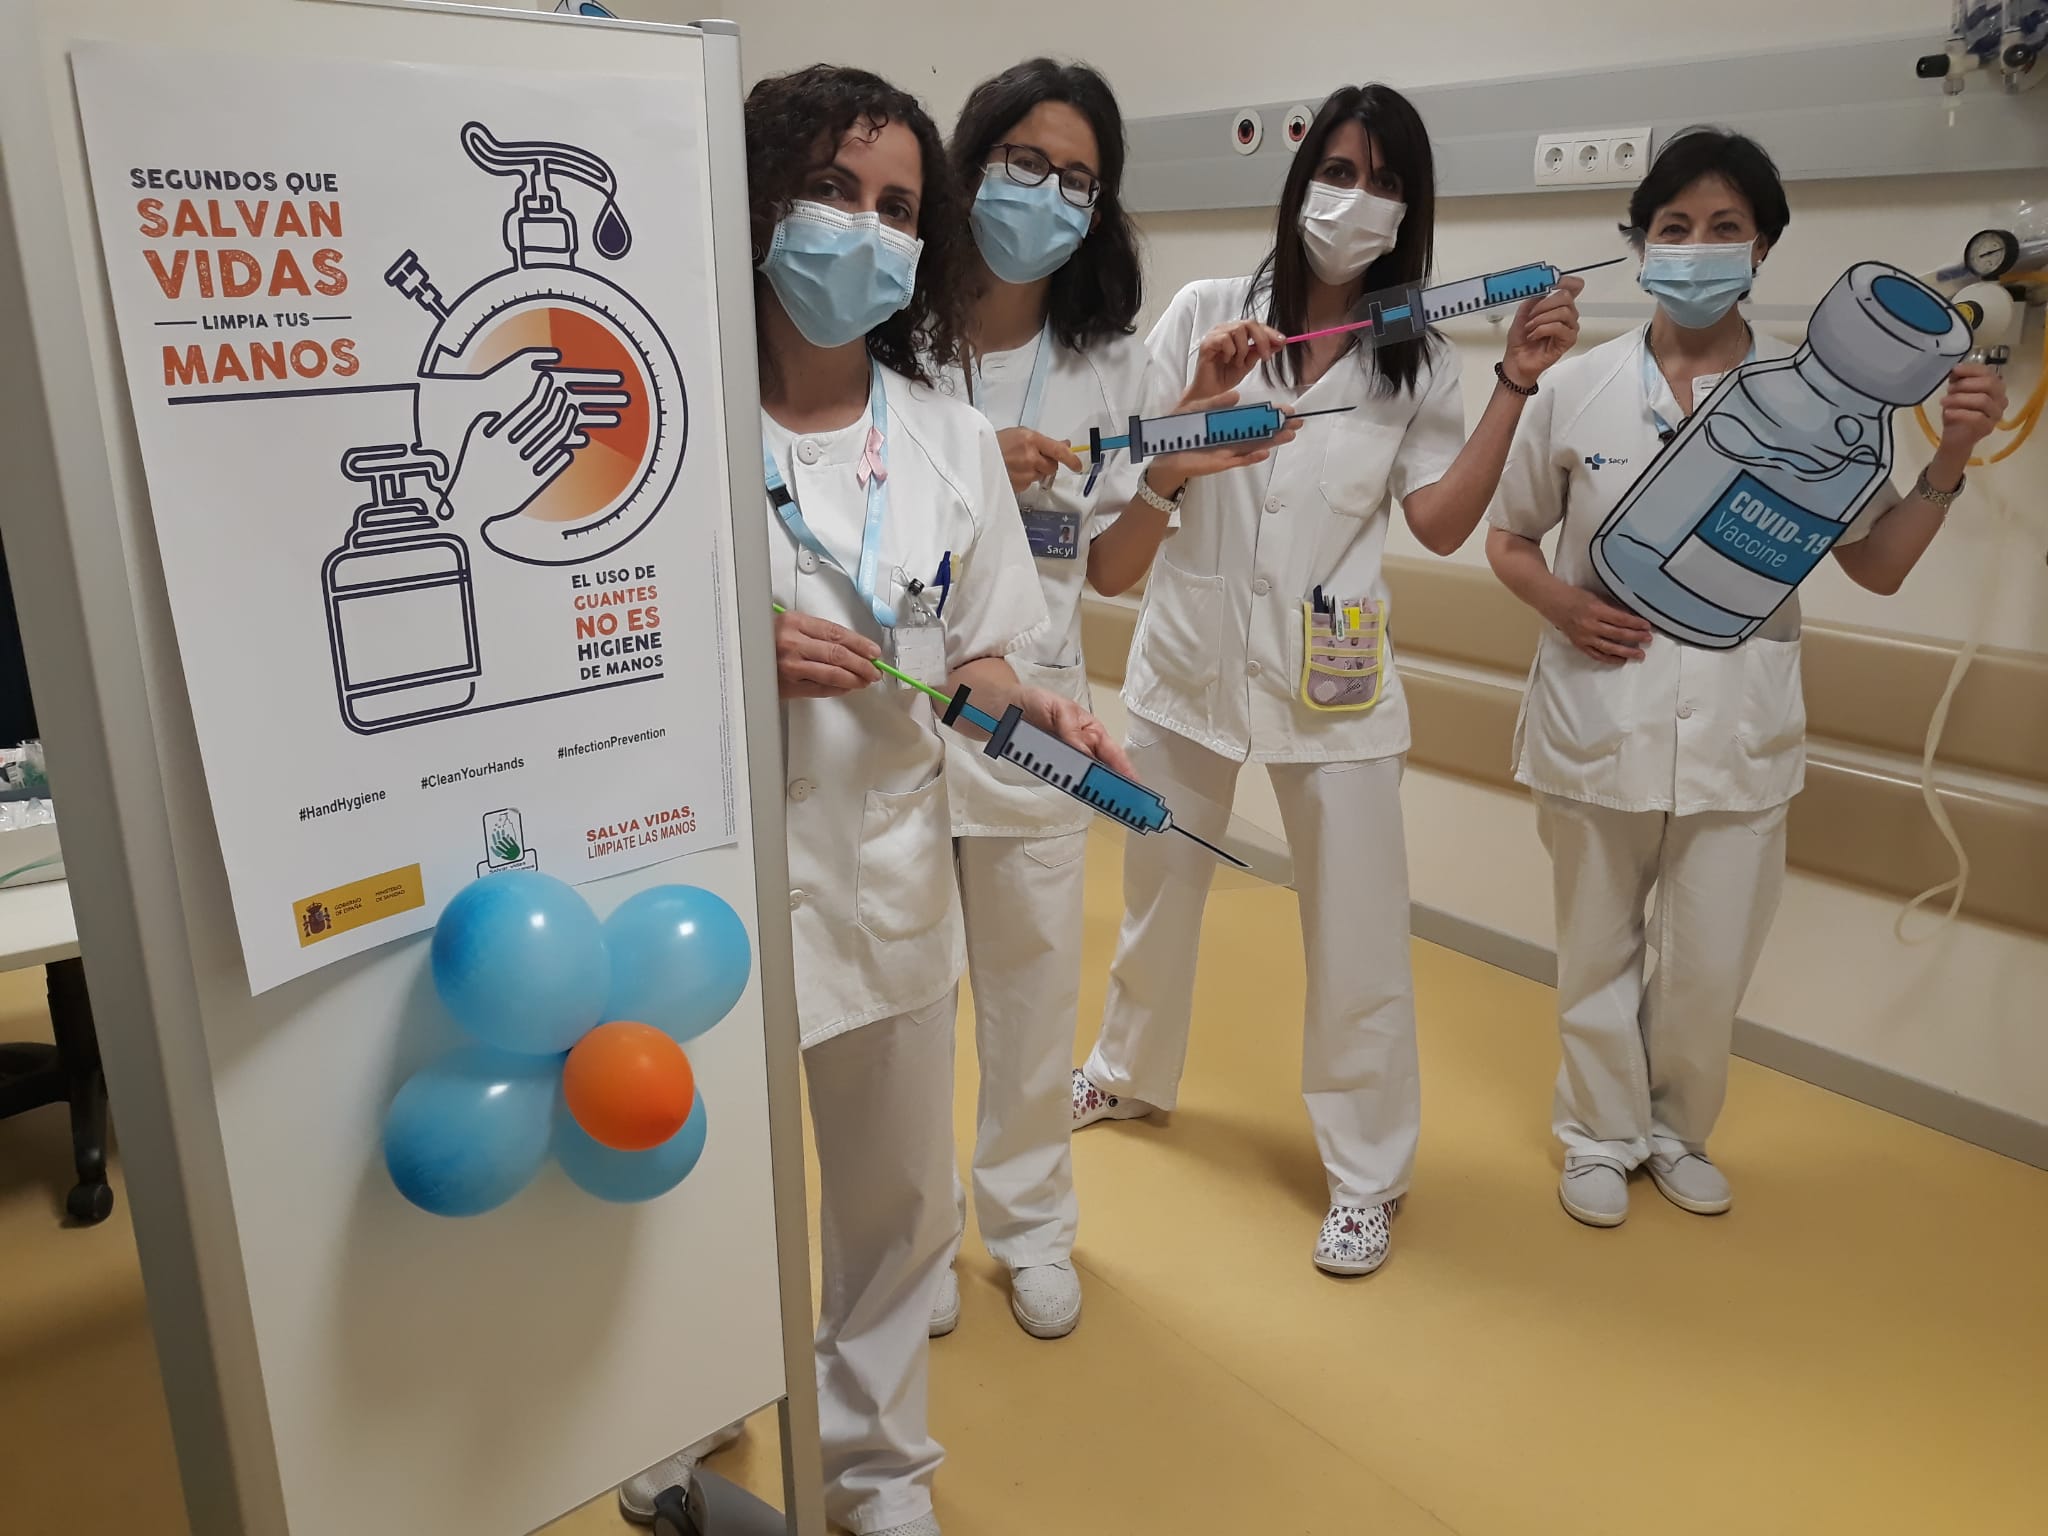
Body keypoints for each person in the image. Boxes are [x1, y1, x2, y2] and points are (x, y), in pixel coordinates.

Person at [618, 64, 1128, 1536]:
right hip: (701, 884)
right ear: (755, 202)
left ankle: (879, 1467)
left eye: (898, 206)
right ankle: (680, 1412)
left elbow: (977, 653)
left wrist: (1034, 708)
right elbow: (597, 645)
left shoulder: (947, 441)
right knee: (699, 1174)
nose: (866, 227)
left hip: (888, 871)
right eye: (832, 191)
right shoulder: (662, 420)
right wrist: (735, 648)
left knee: (895, 1208)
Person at [1071, 83, 1584, 1277]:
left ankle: (1366, 1173)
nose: (1356, 199)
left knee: (1356, 936)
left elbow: (1442, 524)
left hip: (1335, 675)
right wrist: (1198, 412)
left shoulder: (1415, 358)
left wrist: (1512, 383)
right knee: (1156, 892)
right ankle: (1126, 1070)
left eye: (1384, 181)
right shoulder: (1205, 313)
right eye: (1338, 172)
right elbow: (1129, 481)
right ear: (1300, 183)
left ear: (1410, 212)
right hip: (1191, 655)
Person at [1483, 128, 2007, 1229]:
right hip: (1598, 708)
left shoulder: (1823, 413)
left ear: (1762, 248)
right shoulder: (1575, 387)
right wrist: (1562, 605)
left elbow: (1875, 566)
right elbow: (1510, 538)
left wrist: (1949, 459)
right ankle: (1597, 1133)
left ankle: (1676, 1130)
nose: (1697, 247)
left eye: (1725, 227)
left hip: (1737, 726)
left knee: (1708, 960)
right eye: (1673, 227)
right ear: (1641, 244)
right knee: (1595, 946)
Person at [932, 58, 1282, 1343]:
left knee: (1030, 997)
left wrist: (1175, 463)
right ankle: (913, 1244)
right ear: (972, 164)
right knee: (908, 1005)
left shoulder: (1107, 365)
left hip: (1039, 719)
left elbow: (1116, 569)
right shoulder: (893, 342)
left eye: (1076, 178)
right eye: (1024, 162)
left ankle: (1029, 1228)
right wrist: (976, 463)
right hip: (902, 710)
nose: (1047, 193)